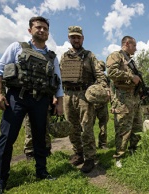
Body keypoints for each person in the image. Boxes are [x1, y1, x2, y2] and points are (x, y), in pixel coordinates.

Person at [0, 16, 64, 193]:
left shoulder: (52, 57)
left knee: (40, 138)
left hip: (41, 101)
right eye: (38, 27)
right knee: (7, 138)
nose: (42, 30)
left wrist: (60, 103)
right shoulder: (17, 47)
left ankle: (41, 171)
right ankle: (0, 179)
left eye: (45, 28)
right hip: (16, 98)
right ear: (30, 30)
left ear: (48, 33)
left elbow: (58, 82)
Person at [60, 26, 108, 173]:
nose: (75, 39)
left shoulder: (89, 56)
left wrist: (103, 89)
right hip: (68, 95)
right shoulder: (64, 56)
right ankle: (78, 153)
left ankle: (90, 158)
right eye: (73, 37)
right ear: (69, 38)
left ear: (82, 39)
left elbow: (100, 75)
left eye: (78, 37)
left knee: (86, 127)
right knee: (72, 127)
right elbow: (60, 76)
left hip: (84, 95)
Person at [106, 36, 143, 168]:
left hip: (134, 99)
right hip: (122, 99)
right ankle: (119, 156)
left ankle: (134, 151)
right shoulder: (116, 56)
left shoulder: (129, 60)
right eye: (134, 45)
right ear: (127, 44)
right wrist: (131, 76)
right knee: (123, 128)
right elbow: (111, 72)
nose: (136, 48)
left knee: (137, 127)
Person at [93, 61, 109, 149]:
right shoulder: (90, 77)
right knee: (89, 125)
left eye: (102, 68)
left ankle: (102, 144)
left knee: (103, 125)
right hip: (92, 104)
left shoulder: (106, 78)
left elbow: (109, 90)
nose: (101, 70)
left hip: (103, 104)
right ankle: (90, 144)